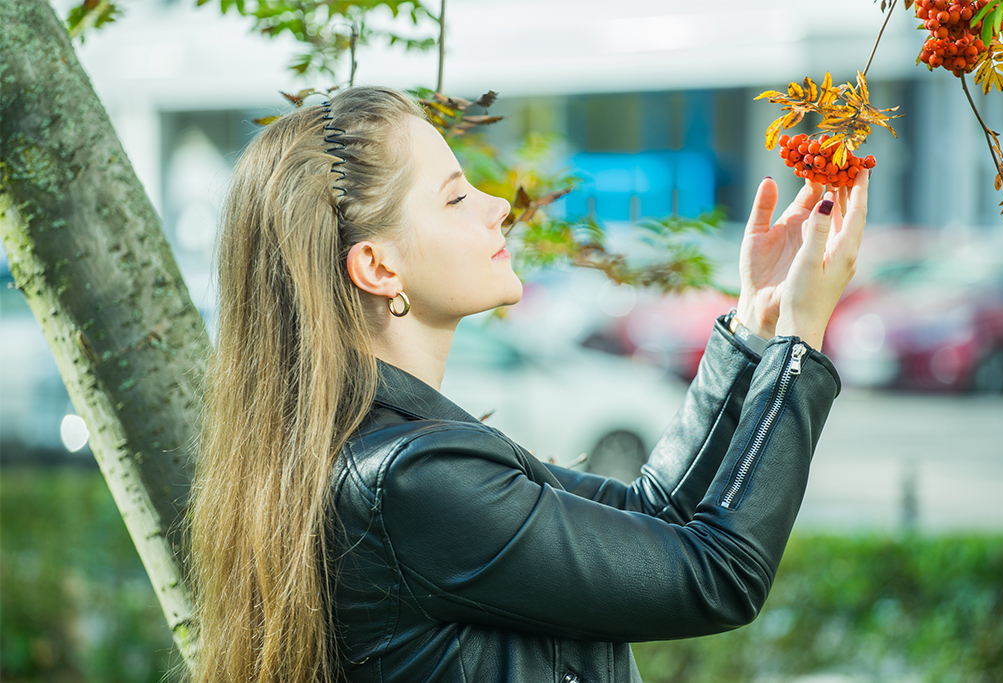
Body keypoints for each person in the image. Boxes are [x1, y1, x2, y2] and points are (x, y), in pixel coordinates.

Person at [189, 85, 869, 683]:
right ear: (377, 266)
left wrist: (756, 321)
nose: (497, 207)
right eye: (456, 196)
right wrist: (802, 336)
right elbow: (715, 574)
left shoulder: (402, 451)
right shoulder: (407, 482)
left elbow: (651, 514)